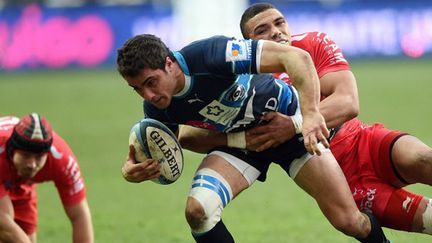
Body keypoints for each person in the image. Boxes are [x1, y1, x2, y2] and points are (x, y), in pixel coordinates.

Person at [180, 2, 432, 236]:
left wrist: (293, 124)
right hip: (337, 179)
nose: (277, 32)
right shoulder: (240, 81)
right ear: (249, 44)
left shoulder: (313, 43)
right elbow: (190, 133)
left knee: (423, 158)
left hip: (363, 141)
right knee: (379, 222)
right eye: (262, 30)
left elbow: (348, 102)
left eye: (280, 23)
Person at [117, 33, 390, 242]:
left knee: (349, 221)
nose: (148, 95)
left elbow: (297, 58)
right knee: (198, 211)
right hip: (242, 144)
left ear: (169, 63)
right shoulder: (157, 107)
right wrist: (134, 168)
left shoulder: (212, 55)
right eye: (137, 89)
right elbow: (177, 143)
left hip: (288, 126)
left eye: (151, 82)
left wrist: (308, 116)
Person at [0, 113, 94, 243]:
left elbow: (79, 216)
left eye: (39, 157)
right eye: (26, 155)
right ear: (13, 150)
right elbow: (3, 225)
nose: (32, 164)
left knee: (26, 237)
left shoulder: (63, 160)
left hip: (23, 183)